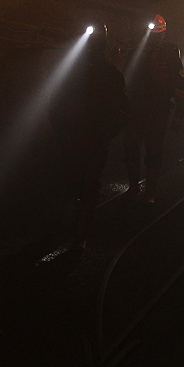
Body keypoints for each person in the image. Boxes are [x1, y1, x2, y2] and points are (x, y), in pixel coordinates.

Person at [48, 24, 129, 247]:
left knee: (74, 181)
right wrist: (107, 133)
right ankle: (79, 232)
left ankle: (73, 229)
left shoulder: (71, 73)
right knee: (87, 184)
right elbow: (123, 110)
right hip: (91, 138)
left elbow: (54, 105)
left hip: (76, 137)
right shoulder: (111, 75)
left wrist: (61, 131)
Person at [123, 14, 184, 203]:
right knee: (132, 149)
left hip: (157, 108)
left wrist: (179, 114)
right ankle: (135, 187)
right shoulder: (136, 52)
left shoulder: (170, 53)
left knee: (154, 151)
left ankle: (148, 192)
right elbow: (127, 80)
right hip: (138, 108)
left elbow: (179, 83)